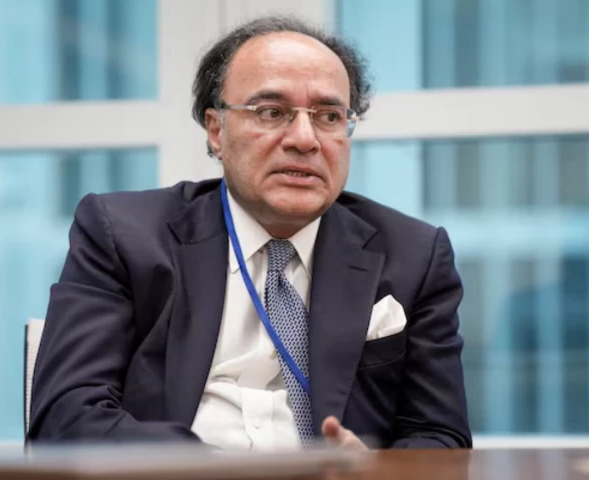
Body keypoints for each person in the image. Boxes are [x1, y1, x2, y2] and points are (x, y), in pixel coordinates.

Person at [28, 16, 472, 450]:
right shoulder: (124, 235)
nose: (305, 139)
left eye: (328, 116)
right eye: (272, 112)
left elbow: (441, 436)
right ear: (216, 130)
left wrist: (376, 472)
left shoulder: (414, 256)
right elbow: (66, 416)